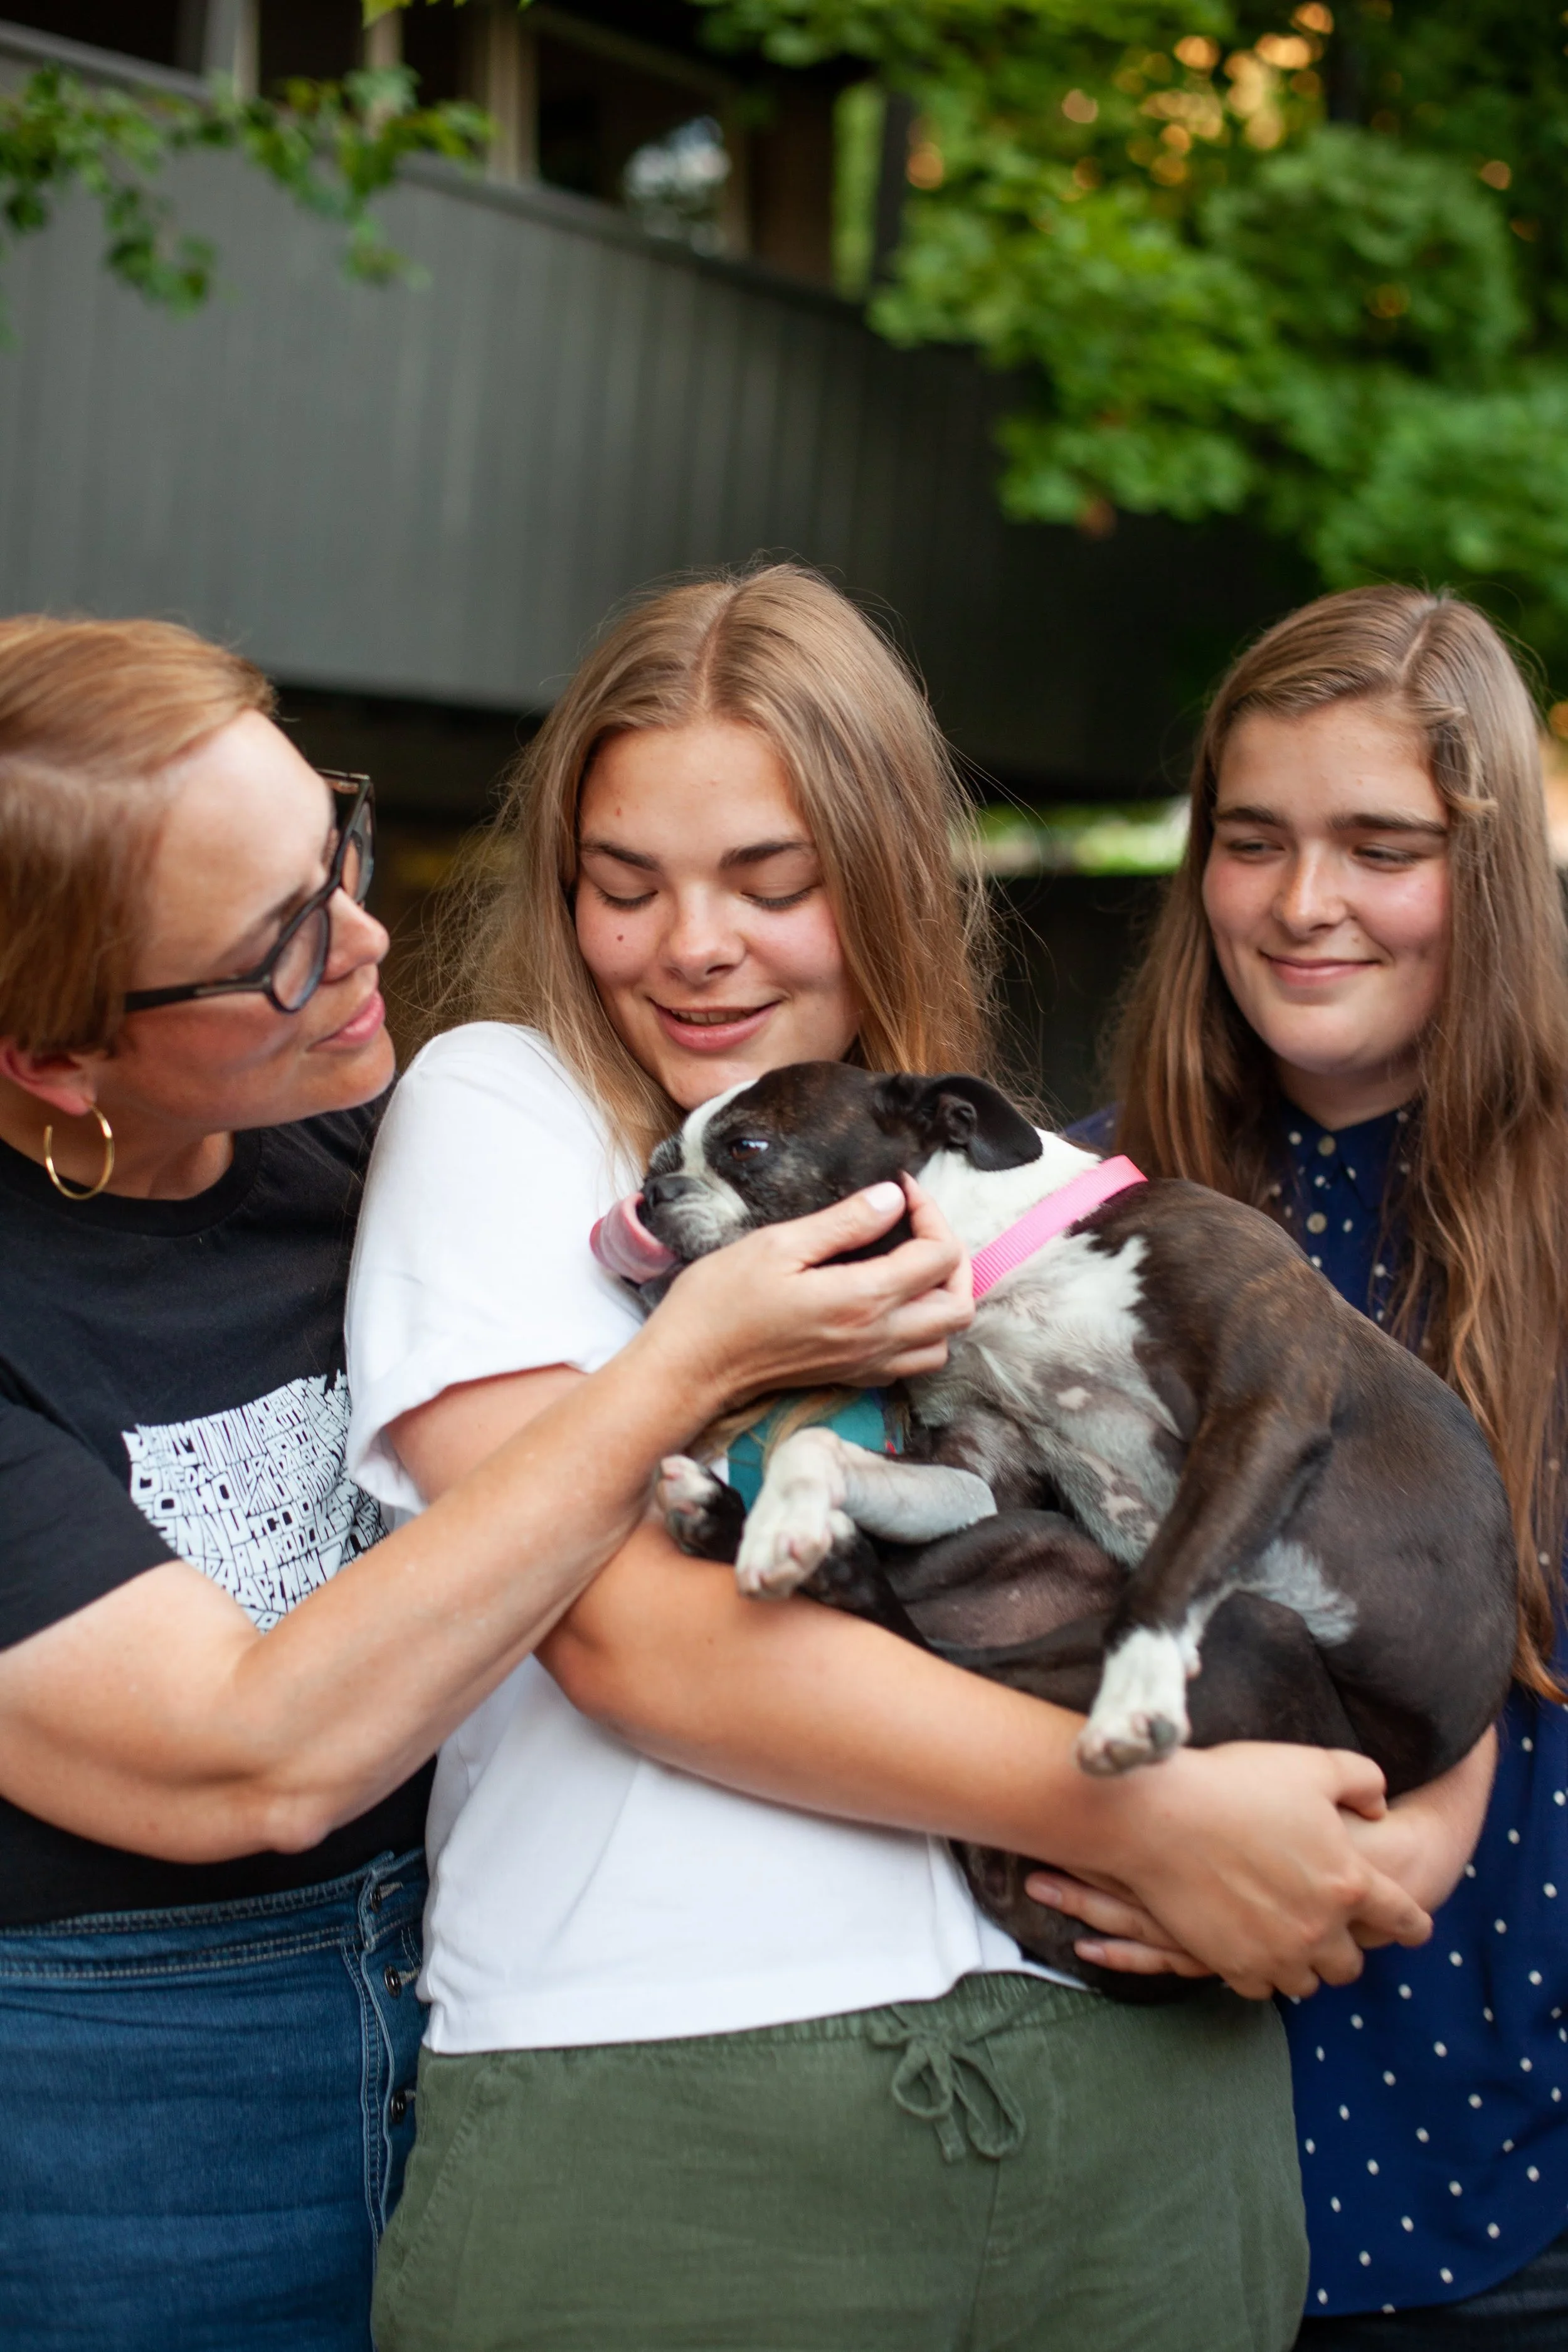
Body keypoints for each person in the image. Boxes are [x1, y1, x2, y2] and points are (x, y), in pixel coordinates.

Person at [346, 564, 1468, 2352]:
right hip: (683, 2100)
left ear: (879, 872)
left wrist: (1363, 1842)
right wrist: (1150, 1811)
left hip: (1136, 2079)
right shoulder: (509, 1107)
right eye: (621, 883)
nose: (693, 942)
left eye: (769, 882)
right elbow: (628, 1637)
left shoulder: (972, 1173)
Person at [0, 615, 974, 2352]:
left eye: (334, 844)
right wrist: (688, 1361)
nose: (367, 937)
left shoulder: (358, 1129)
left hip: (465, 1980)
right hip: (138, 2082)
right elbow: (254, 1756)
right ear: (56, 1063)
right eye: (281, 942)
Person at [1042, 585, 1568, 2344]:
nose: (1300, 903)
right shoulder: (1085, 1208)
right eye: (1250, 840)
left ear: (1486, 874)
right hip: (1129, 2127)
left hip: (1504, 2142)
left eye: (1379, 844)